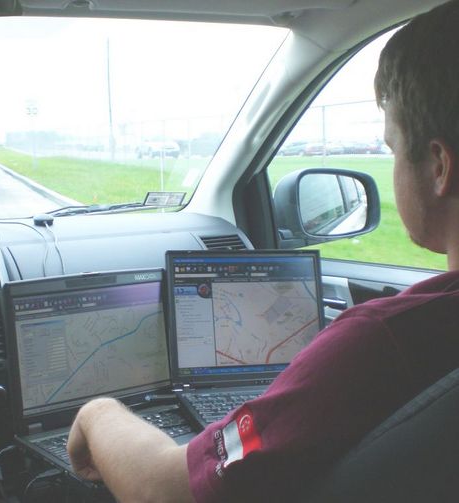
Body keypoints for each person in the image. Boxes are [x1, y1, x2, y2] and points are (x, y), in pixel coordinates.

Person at [66, 1, 459, 501]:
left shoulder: (385, 340)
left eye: (392, 146)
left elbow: (163, 490)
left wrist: (97, 413)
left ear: (439, 166)